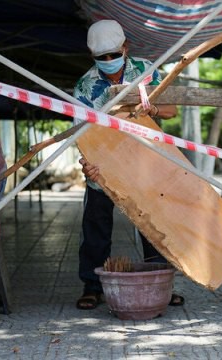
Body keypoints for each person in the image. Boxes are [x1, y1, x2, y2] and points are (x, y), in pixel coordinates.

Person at [73, 19, 184, 310]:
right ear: (92, 56)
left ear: (126, 47)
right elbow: (82, 135)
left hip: (145, 163)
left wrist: (154, 108)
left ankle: (161, 283)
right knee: (96, 226)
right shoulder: (85, 86)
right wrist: (88, 166)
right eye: (102, 58)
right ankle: (92, 286)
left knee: (153, 226)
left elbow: (172, 109)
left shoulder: (146, 71)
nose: (109, 61)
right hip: (103, 167)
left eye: (113, 54)